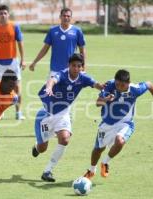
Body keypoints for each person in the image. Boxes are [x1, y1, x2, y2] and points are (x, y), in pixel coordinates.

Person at [31, 53, 104, 182]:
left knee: (65, 139)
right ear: (68, 65)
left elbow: (96, 85)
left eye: (78, 66)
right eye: (73, 65)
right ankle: (37, 146)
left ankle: (48, 171)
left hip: (63, 114)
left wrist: (104, 87)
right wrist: (49, 88)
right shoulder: (62, 74)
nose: (76, 68)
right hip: (46, 115)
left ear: (82, 67)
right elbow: (52, 79)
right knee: (42, 148)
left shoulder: (84, 78)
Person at [83, 69, 153, 179]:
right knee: (98, 149)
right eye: (117, 84)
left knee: (120, 141)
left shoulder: (135, 89)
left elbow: (149, 84)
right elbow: (98, 103)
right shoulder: (110, 85)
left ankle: (105, 162)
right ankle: (91, 170)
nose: (119, 87)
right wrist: (106, 99)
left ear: (128, 83)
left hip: (125, 123)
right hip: (106, 124)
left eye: (122, 85)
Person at [0, 4, 26, 120]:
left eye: (5, 13)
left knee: (17, 88)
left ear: (8, 15)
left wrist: (23, 59)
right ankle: (0, 112)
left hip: (13, 62)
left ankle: (18, 112)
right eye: (1, 13)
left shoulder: (15, 27)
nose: (3, 15)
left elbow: (20, 43)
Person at [29, 7, 86, 77]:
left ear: (71, 18)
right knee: (50, 87)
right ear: (60, 17)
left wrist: (83, 66)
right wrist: (35, 62)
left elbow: (82, 50)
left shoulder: (77, 31)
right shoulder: (52, 30)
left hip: (71, 69)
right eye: (64, 16)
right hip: (55, 70)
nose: (66, 18)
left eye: (68, 16)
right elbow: (45, 49)